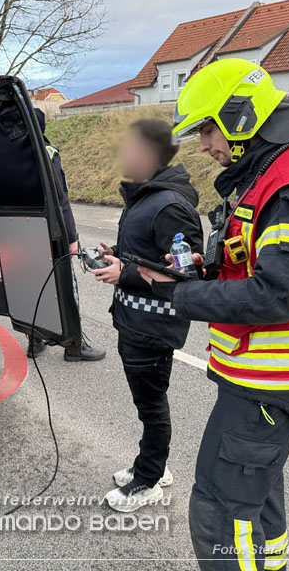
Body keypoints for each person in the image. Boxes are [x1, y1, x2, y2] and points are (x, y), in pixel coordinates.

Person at [138, 58, 289, 571]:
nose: (203, 145)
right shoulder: (272, 173)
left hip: (273, 381)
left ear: (240, 118)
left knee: (221, 512)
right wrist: (212, 265)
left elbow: (277, 296)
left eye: (206, 129)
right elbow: (265, 259)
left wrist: (180, 297)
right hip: (270, 378)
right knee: (258, 497)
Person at [90, 119, 202, 512]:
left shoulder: (170, 205)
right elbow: (149, 257)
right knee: (148, 404)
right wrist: (118, 258)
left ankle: (148, 480)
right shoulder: (146, 197)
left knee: (151, 405)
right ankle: (154, 464)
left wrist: (127, 273)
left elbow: (188, 273)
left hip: (152, 327)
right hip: (134, 320)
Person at [29, 108, 105, 362]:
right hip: (52, 234)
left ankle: (34, 339)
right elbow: (61, 201)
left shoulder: (8, 155)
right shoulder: (48, 153)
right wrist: (72, 239)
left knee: (33, 285)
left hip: (22, 233)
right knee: (65, 287)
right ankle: (74, 346)